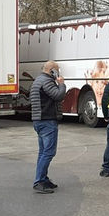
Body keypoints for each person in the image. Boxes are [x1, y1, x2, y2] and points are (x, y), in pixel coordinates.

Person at [30, 60, 66, 194]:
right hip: (46, 120)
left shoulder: (38, 80)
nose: (59, 72)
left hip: (39, 120)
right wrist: (61, 84)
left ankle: (43, 179)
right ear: (52, 71)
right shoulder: (47, 81)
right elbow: (58, 96)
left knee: (43, 152)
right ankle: (39, 181)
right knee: (49, 152)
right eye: (57, 69)